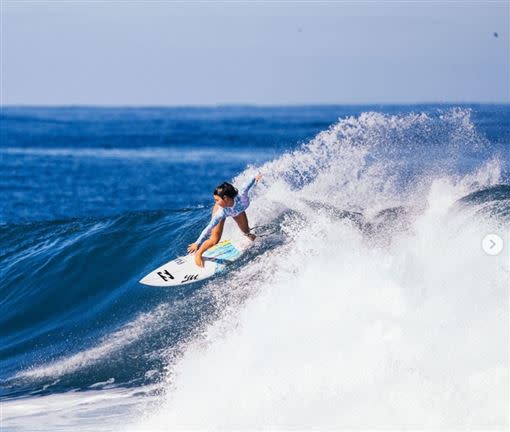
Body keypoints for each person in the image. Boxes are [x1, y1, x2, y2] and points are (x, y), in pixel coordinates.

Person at [187, 174, 262, 267]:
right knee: (215, 240)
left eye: (217, 200)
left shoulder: (242, 197)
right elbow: (209, 227)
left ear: (225, 198)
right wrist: (197, 243)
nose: (216, 202)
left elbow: (248, 184)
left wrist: (255, 178)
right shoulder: (221, 212)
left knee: (247, 232)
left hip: (238, 211)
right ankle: (198, 253)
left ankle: (258, 241)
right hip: (228, 211)